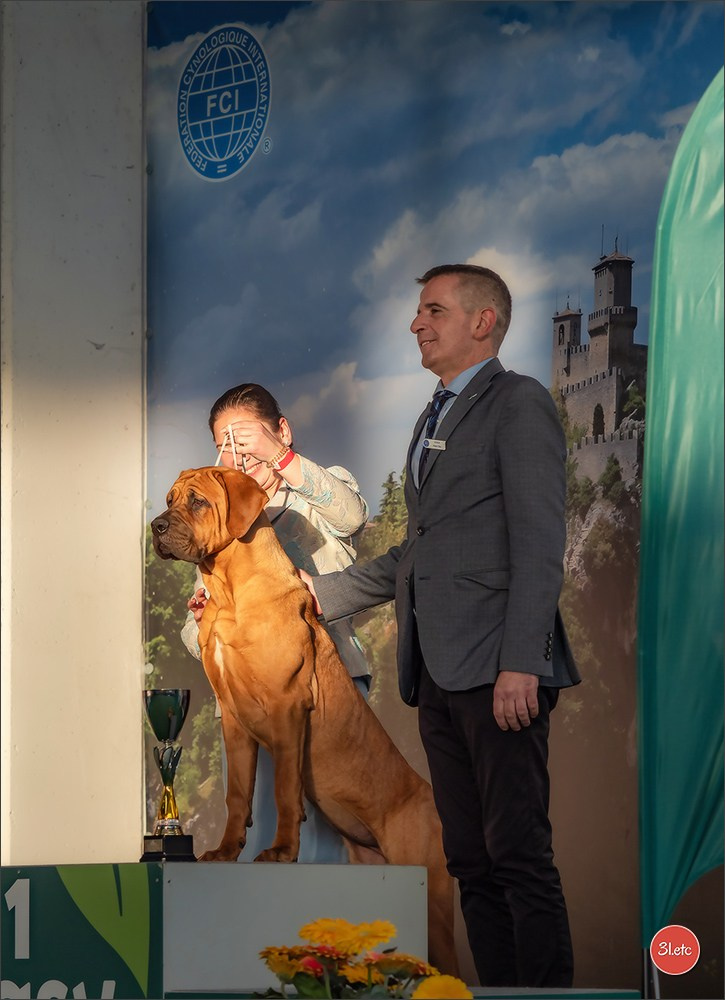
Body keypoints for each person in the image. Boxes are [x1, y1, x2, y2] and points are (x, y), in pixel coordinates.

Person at [304, 264, 580, 987]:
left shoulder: (516, 403)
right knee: (470, 863)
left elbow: (538, 540)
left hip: (499, 672)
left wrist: (521, 660)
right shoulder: (436, 414)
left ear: (481, 322)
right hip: (439, 675)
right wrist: (315, 593)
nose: (415, 323)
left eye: (432, 310)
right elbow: (416, 553)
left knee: (517, 856)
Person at [181, 382, 371, 864]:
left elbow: (351, 517)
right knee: (261, 843)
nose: (237, 453)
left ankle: (324, 940)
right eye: (225, 442)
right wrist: (204, 620)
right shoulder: (216, 520)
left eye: (245, 437)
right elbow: (194, 635)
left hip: (326, 686)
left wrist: (280, 459)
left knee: (327, 842)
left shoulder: (320, 486)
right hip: (247, 702)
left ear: (281, 430)